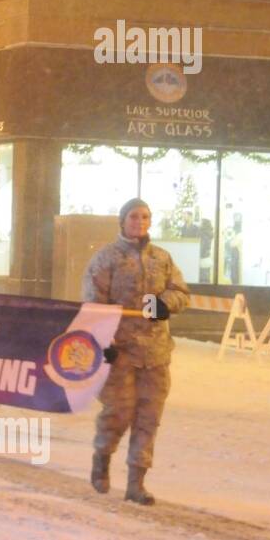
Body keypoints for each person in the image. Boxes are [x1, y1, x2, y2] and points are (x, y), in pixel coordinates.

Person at [83, 198, 189, 505]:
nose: (139, 221)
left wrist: (163, 305)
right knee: (119, 412)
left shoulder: (162, 258)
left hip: (155, 354)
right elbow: (94, 304)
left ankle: (136, 482)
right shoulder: (106, 258)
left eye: (145, 216)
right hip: (121, 353)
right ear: (122, 221)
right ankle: (102, 458)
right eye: (133, 216)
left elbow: (180, 292)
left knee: (148, 417)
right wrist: (104, 343)